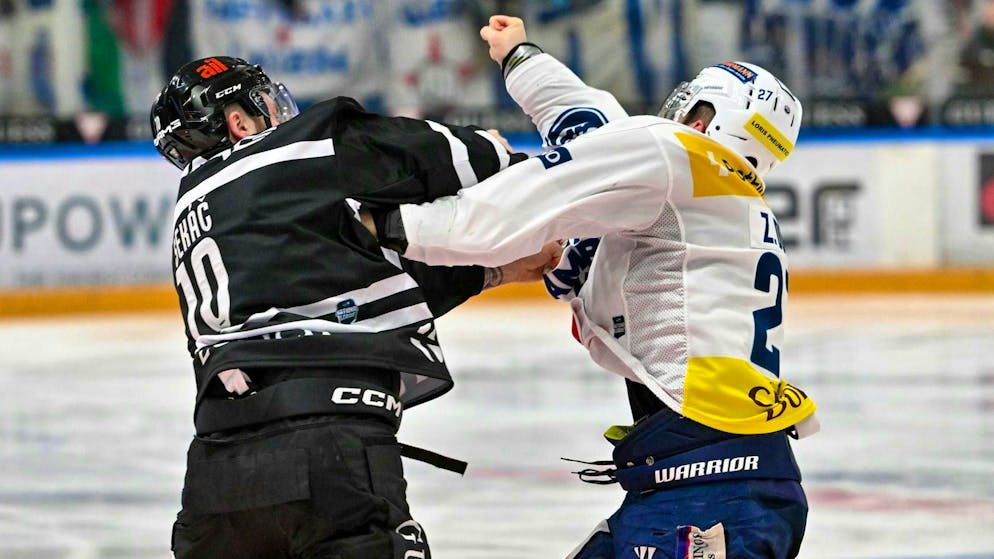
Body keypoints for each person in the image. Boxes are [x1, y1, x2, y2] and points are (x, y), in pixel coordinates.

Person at [363, 15, 820, 559]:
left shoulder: (674, 156)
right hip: (720, 474)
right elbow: (586, 120)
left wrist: (388, 227)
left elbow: (515, 208)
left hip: (709, 489)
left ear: (709, 118)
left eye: (692, 104)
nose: (675, 112)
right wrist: (520, 57)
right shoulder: (718, 192)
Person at [150, 55, 558, 559]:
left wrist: (496, 271)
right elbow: (455, 159)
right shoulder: (305, 147)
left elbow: (345, 294)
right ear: (238, 122)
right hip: (330, 455)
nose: (275, 113)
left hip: (214, 479)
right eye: (260, 104)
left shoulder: (192, 209)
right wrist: (507, 157)